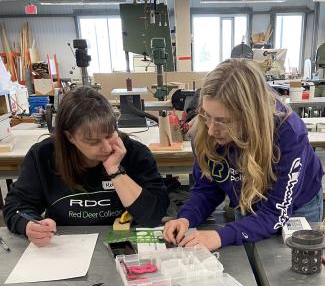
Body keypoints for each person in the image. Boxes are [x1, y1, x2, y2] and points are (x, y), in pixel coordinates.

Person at [163, 58, 324, 251]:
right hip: (247, 200)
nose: (212, 130)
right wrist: (185, 218)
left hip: (296, 208)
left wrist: (219, 236)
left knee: (283, 270)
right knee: (247, 262)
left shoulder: (288, 133)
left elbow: (275, 213)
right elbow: (207, 189)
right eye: (207, 115)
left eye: (223, 121)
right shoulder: (205, 129)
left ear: (249, 116)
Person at [4, 86, 169, 246]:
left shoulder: (134, 153)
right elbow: (17, 206)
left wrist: (116, 171)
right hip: (65, 246)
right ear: (69, 137)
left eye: (110, 134)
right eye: (93, 141)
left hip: (123, 243)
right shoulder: (43, 156)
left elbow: (153, 215)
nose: (106, 148)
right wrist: (29, 226)